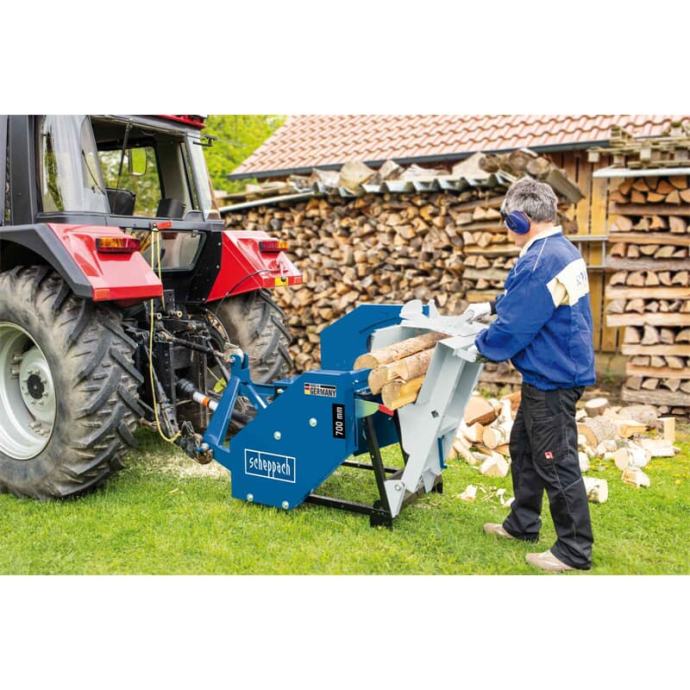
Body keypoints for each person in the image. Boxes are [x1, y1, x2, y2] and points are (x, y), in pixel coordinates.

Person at [464, 176, 596, 572]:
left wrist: (479, 346)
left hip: (554, 376)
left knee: (555, 460)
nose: (507, 226)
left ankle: (574, 550)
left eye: (509, 219)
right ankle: (522, 524)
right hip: (551, 371)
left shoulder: (541, 260)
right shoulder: (557, 250)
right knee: (523, 448)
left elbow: (515, 327)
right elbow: (526, 297)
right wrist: (490, 306)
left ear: (521, 220)